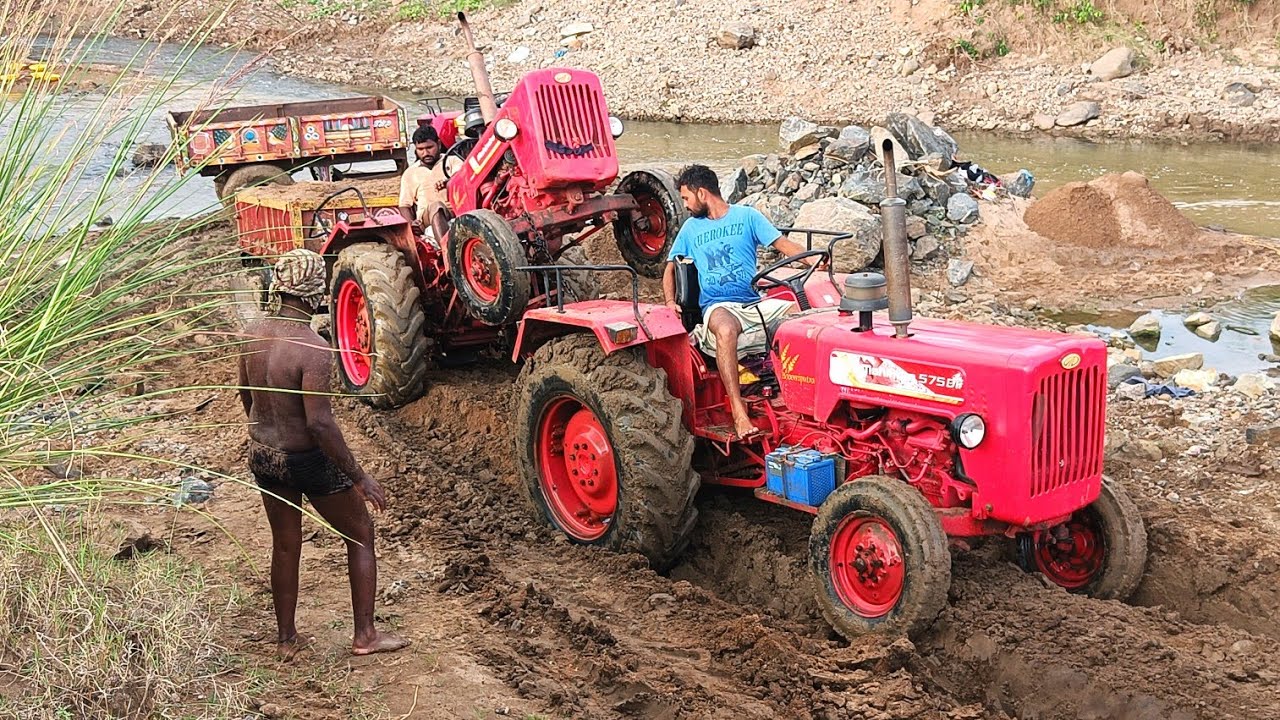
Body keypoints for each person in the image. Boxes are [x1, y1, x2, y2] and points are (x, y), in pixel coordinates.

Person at [237, 249, 410, 660]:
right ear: (314, 293)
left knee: (285, 543)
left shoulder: (252, 333)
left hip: (264, 456)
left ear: (280, 287)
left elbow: (246, 397)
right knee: (360, 533)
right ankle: (365, 635)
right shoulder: (313, 348)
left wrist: (267, 435)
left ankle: (286, 640)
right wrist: (359, 477)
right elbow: (320, 425)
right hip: (305, 460)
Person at [662, 164, 818, 440]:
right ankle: (738, 412)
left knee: (804, 316)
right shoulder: (690, 229)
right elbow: (670, 269)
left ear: (702, 193)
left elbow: (783, 245)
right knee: (725, 328)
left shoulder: (747, 216)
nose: (685, 205)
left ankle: (805, 396)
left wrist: (815, 258)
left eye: (686, 198)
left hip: (754, 302)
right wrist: (669, 302)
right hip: (718, 305)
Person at [398, 124, 451, 243]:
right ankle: (446, 249)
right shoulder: (410, 173)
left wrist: (449, 182)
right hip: (426, 217)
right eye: (420, 149)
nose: (426, 153)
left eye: (429, 147)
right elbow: (404, 205)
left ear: (438, 144)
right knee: (436, 206)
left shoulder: (452, 161)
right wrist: (411, 223)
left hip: (452, 210)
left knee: (439, 207)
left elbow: (463, 178)